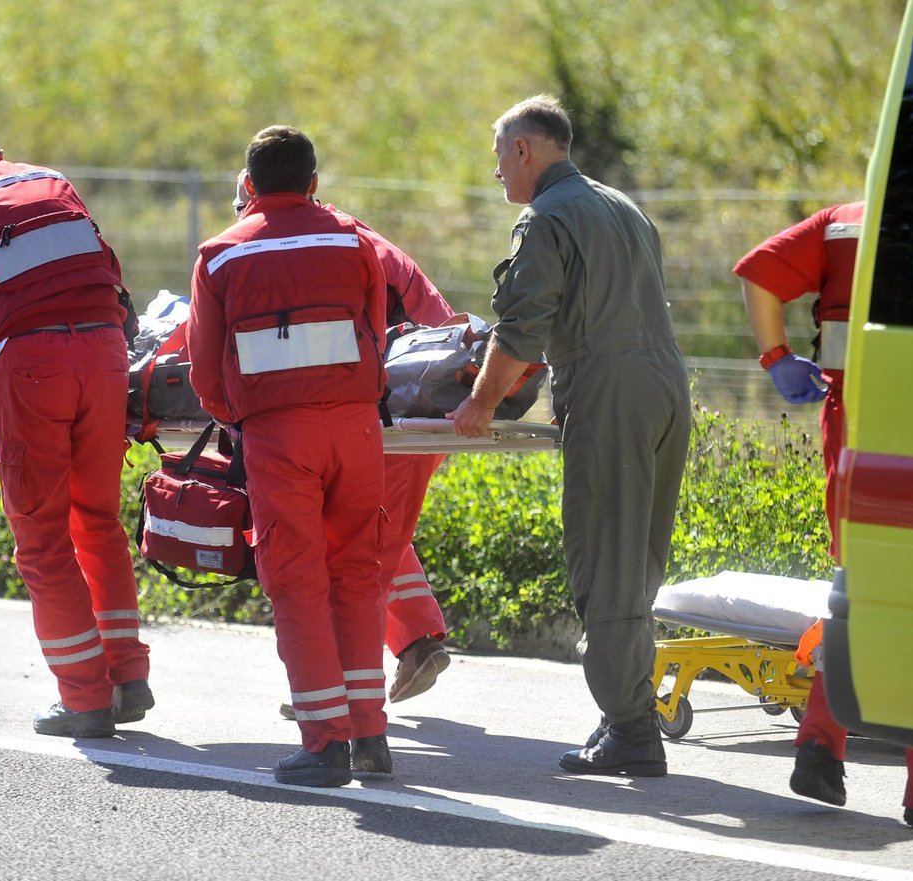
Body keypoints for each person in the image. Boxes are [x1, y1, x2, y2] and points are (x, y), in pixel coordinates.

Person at [451, 95, 691, 777]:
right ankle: (628, 706)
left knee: (605, 558)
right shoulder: (621, 204)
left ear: (524, 149)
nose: (496, 170)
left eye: (499, 155)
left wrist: (479, 403)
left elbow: (523, 326)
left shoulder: (546, 216)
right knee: (638, 557)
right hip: (666, 385)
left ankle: (632, 728)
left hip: (611, 391)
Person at [736, 202, 913, 830]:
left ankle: (821, 737)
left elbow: (759, 273)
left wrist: (776, 357)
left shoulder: (846, 221)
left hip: (858, 431)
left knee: (864, 591)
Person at [0, 112, 152, 738]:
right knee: (99, 520)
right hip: (106, 351)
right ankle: (128, 676)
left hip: (35, 364)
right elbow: (107, 266)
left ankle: (83, 697)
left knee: (43, 538)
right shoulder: (54, 181)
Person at [187, 127, 390, 787]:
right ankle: (370, 737)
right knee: (358, 573)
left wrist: (235, 414)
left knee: (297, 580)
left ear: (248, 186)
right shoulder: (355, 240)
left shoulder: (220, 256)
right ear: (313, 182)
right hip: (357, 428)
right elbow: (377, 334)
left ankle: (324, 739)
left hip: (279, 436)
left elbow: (204, 370)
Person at [231, 171, 454, 711]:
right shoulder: (339, 235)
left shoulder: (307, 244)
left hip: (394, 413)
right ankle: (417, 638)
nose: (240, 218)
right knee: (365, 538)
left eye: (242, 206)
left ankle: (337, 699)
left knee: (354, 562)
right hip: (409, 404)